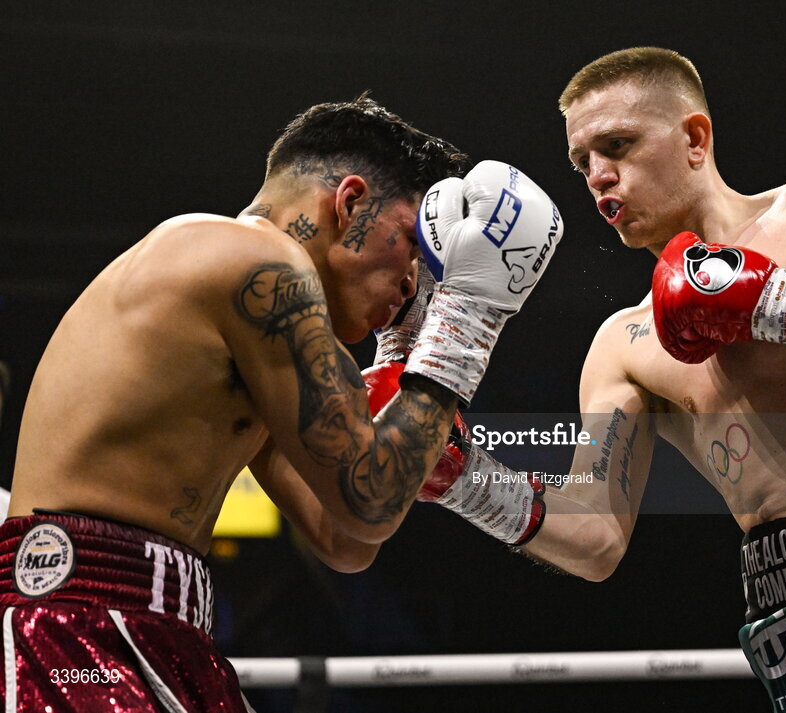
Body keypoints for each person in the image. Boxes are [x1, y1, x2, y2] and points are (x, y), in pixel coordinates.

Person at [408, 48, 786, 712]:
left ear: (695, 138)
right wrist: (465, 476)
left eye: (617, 145)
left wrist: (767, 302)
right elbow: (594, 537)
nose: (598, 176)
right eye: (582, 162)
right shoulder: (623, 345)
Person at [2, 96, 563, 711]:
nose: (415, 281)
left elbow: (347, 537)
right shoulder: (254, 261)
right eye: (411, 243)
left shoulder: (261, 336)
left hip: (154, 625)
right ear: (350, 204)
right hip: (75, 625)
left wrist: (407, 344)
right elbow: (370, 501)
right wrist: (467, 318)